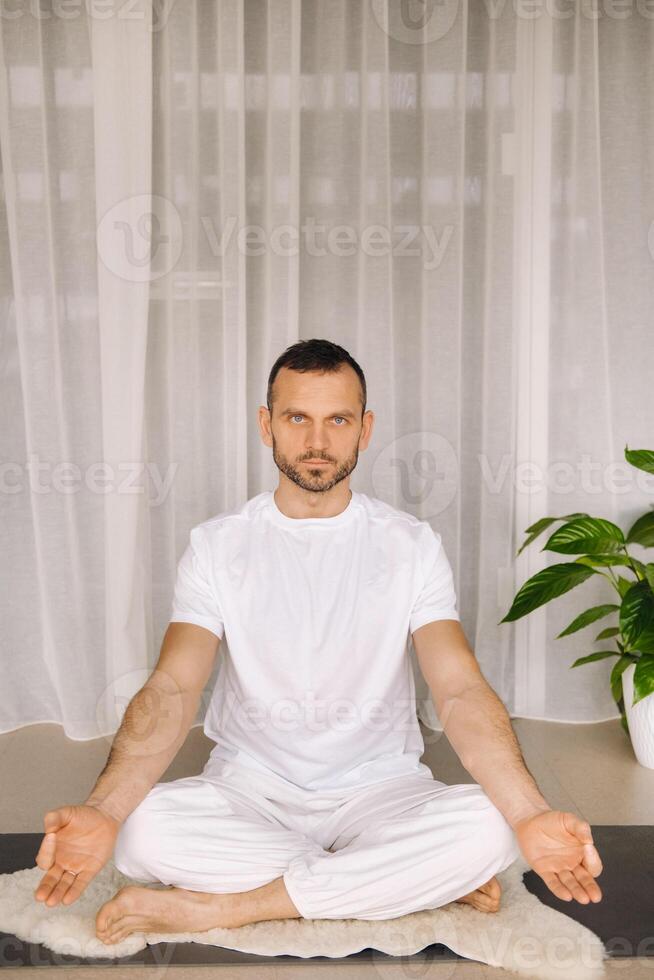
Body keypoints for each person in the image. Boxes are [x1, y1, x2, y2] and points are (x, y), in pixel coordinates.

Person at [33, 339, 603, 945]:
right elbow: (174, 686)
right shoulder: (217, 545)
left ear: (366, 429)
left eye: (338, 419)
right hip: (252, 787)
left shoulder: (411, 544)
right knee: (139, 830)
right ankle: (397, 882)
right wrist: (103, 808)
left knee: (491, 828)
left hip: (381, 788)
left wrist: (530, 812)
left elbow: (458, 686)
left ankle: (233, 907)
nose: (317, 441)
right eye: (296, 417)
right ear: (266, 425)